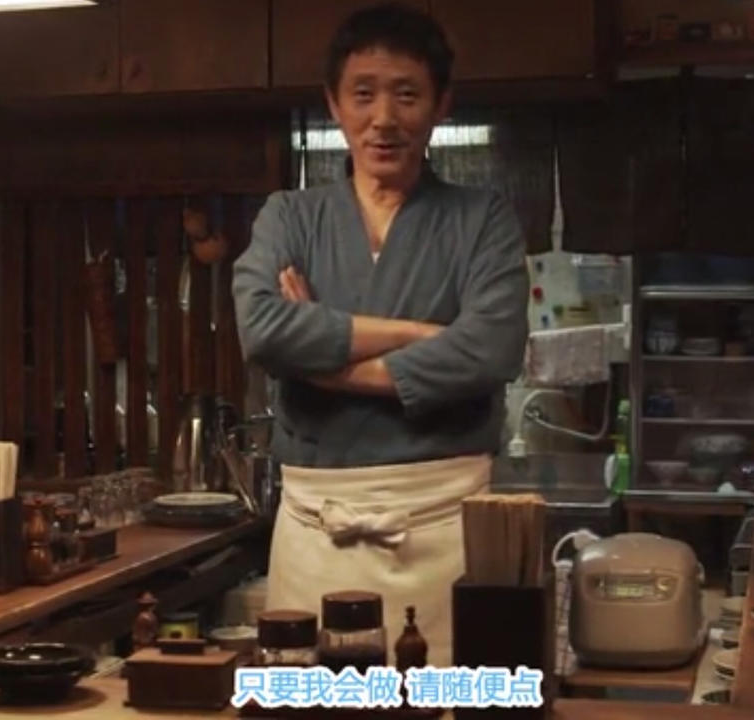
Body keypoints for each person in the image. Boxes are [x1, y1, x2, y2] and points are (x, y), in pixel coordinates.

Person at [231, 2, 529, 666]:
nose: (384, 118)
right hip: (314, 528)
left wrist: (322, 361)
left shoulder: (483, 218)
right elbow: (265, 328)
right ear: (334, 104)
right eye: (363, 94)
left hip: (444, 525)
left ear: (441, 104)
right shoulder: (289, 215)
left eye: (407, 94)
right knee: (314, 705)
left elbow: (490, 349)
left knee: (444, 701)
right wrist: (420, 333)